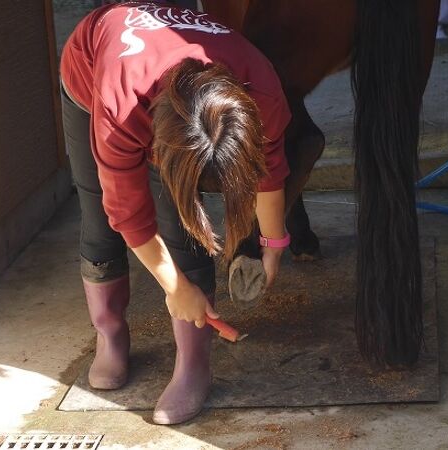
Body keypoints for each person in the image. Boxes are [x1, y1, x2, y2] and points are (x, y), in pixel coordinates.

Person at [60, 2, 291, 425]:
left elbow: (269, 171)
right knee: (99, 215)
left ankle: (192, 365)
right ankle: (109, 333)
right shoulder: (121, 104)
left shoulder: (261, 88)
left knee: (182, 227)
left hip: (172, 89)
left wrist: (273, 242)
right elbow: (127, 214)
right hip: (92, 72)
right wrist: (175, 288)